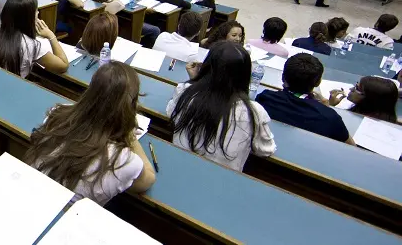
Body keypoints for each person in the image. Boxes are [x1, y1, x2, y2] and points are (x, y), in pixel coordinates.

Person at [27, 62, 156, 205]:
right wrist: (130, 135)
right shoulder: (124, 160)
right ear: (131, 106)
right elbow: (148, 179)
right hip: (64, 215)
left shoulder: (56, 114)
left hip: (30, 193)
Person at [168, 41, 276, 171]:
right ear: (245, 75)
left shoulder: (185, 91)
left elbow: (171, 113)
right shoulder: (253, 111)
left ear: (206, 67)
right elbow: (266, 149)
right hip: (220, 179)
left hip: (177, 168)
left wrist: (195, 81)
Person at [256, 54, 353, 144]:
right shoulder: (330, 117)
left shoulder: (265, 98)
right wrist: (327, 109)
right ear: (318, 83)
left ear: (283, 77)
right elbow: (352, 147)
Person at [0, 0, 69, 77]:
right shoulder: (31, 45)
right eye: (36, 11)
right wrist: (51, 35)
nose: (38, 12)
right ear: (28, 18)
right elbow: (63, 66)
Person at [328, 76, 398, 123]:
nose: (351, 89)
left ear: (370, 99)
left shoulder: (354, 122)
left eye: (357, 88)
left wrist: (329, 106)